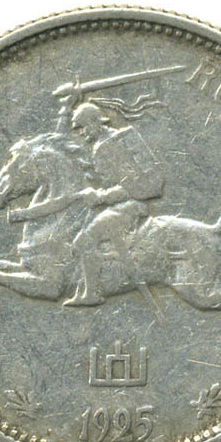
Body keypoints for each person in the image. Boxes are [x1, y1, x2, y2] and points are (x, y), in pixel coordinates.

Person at [63, 102, 165, 306]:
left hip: (129, 206)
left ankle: (92, 294)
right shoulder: (113, 141)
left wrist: (102, 197)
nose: (80, 133)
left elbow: (134, 185)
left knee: (83, 242)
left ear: (94, 122)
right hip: (118, 205)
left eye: (81, 127)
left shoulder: (110, 146)